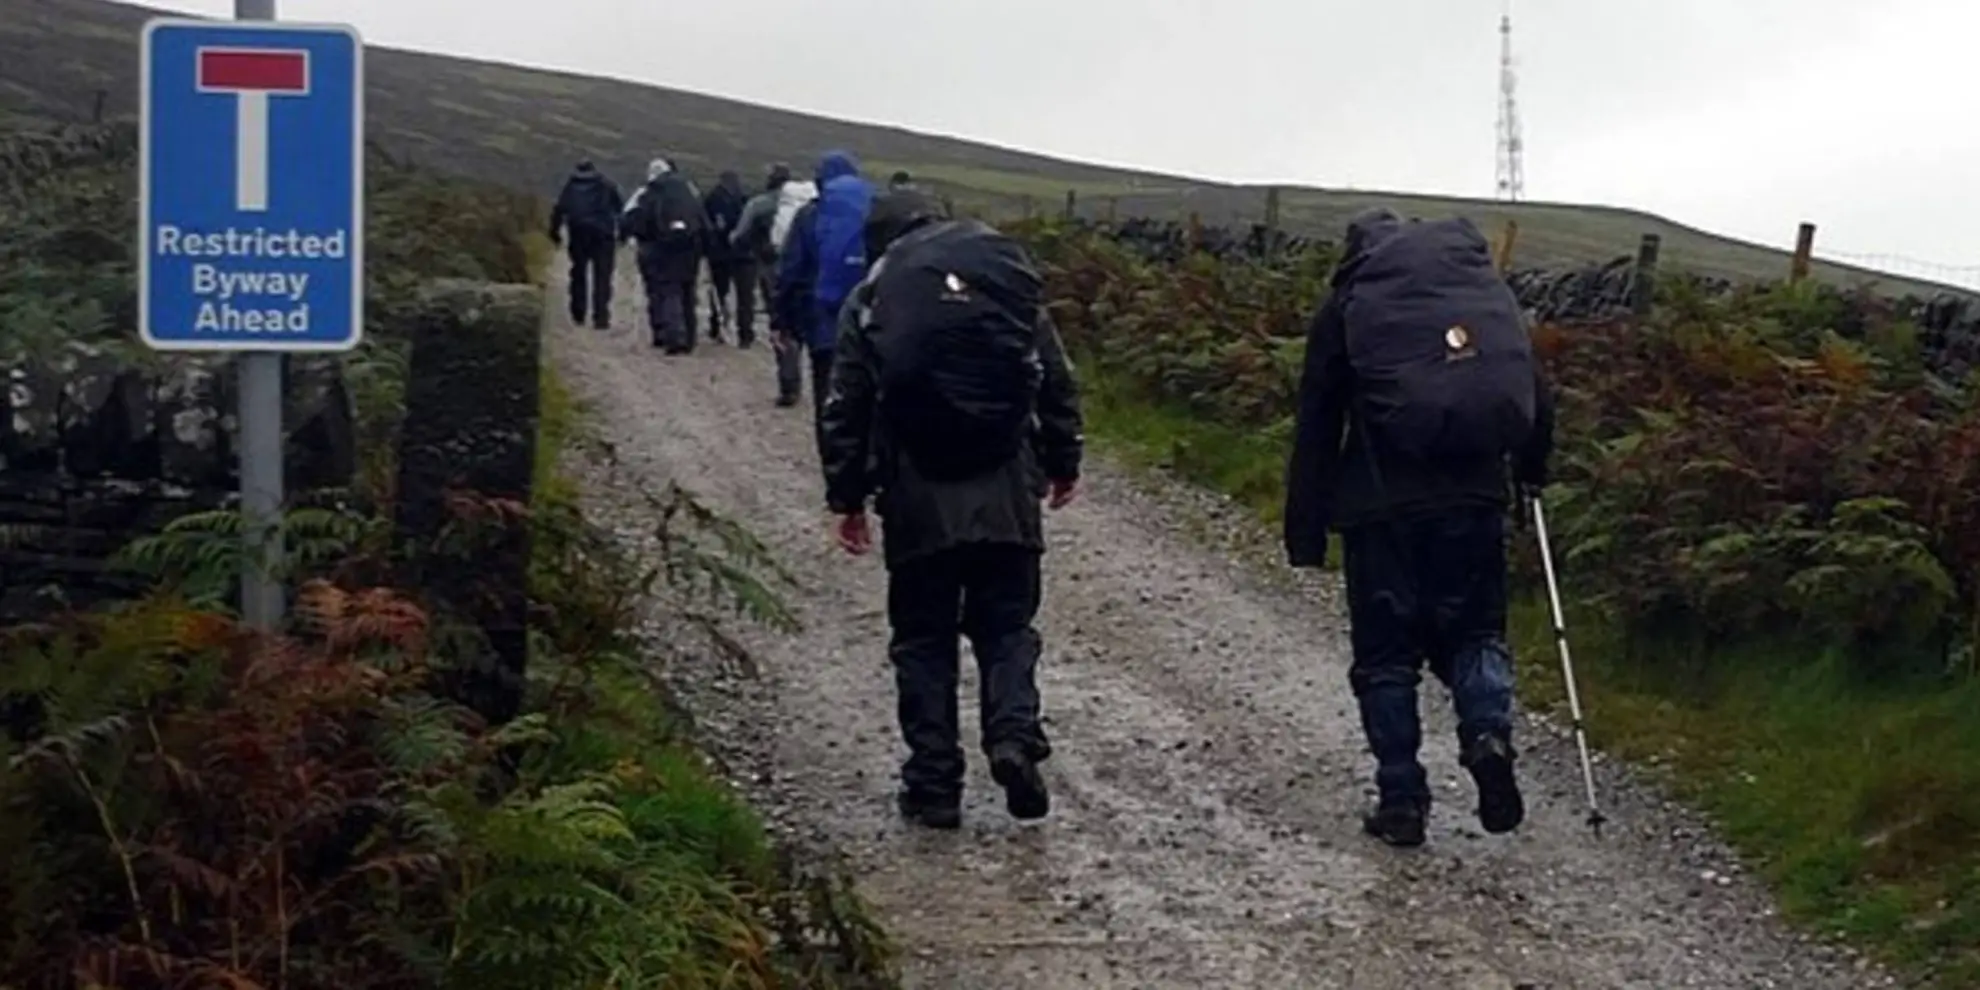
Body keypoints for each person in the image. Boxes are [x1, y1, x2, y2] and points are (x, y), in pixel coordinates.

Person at [1283, 207, 1555, 849]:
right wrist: (1533, 473)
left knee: (1385, 656)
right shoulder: (1487, 296)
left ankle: (1402, 796)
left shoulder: (1349, 306)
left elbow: (1317, 423)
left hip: (1380, 509)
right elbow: (1534, 393)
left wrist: (1307, 530)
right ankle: (1487, 734)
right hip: (1476, 497)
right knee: (1477, 632)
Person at [819, 189, 1084, 830]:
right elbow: (1054, 376)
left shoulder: (875, 300)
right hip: (1007, 492)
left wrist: (846, 496)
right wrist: (1063, 460)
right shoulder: (1003, 289)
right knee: (1007, 628)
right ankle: (1013, 739)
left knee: (923, 639)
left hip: (916, 496)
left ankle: (934, 785)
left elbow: (845, 405)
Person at [775, 150, 872, 447]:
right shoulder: (875, 212)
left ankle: (835, 468)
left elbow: (790, 271)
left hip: (823, 322)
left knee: (828, 394)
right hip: (870, 322)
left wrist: (782, 321)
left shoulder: (809, 216)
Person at [621, 157, 708, 354]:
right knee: (687, 291)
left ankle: (670, 335)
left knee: (666, 291)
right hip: (690, 248)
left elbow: (635, 220)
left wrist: (632, 236)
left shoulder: (650, 193)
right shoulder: (688, 190)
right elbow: (702, 219)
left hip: (661, 249)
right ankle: (689, 337)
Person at [548, 159, 623, 330]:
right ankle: (601, 316)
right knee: (602, 275)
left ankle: (578, 312)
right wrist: (621, 232)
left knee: (579, 272)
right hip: (603, 234)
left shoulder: (571, 186)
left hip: (578, 233)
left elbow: (559, 209)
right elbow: (619, 208)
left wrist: (554, 232)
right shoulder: (606, 184)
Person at [703, 170, 754, 346]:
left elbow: (708, 224)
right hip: (743, 253)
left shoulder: (712, 198)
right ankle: (745, 333)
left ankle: (717, 326)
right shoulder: (745, 198)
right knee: (745, 296)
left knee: (719, 292)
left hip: (720, 253)